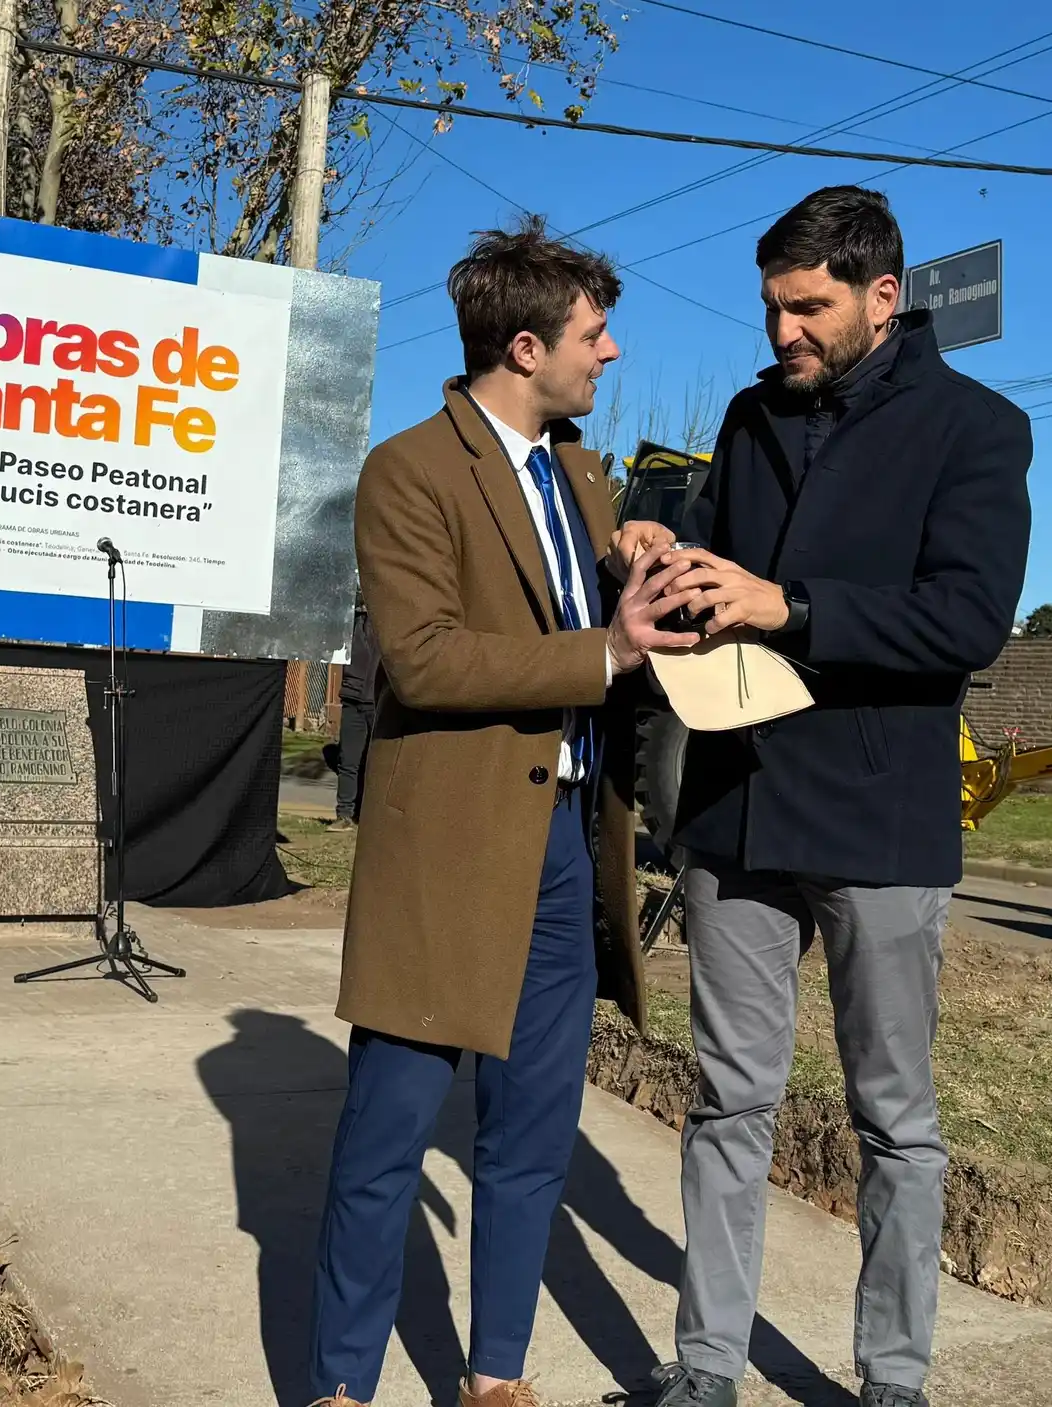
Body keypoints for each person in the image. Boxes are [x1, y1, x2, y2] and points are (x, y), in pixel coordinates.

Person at [613, 186, 1033, 1407]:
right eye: (773, 306)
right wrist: (660, 549)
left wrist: (785, 606)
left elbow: (966, 622)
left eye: (808, 307)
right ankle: (704, 1370)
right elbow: (711, 560)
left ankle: (892, 1378)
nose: (783, 329)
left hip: (881, 817)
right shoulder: (749, 416)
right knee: (726, 1100)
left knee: (894, 1116)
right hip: (738, 809)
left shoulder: (979, 429)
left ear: (883, 298)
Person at [308, 216, 701, 1407]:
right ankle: (340, 1387)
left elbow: (573, 601)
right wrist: (607, 653)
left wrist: (633, 556)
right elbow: (424, 662)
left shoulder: (582, 471)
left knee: (530, 1142)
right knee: (385, 1144)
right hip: (449, 858)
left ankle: (497, 1376)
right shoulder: (410, 469)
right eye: (594, 333)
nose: (614, 352)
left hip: (569, 854)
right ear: (524, 346)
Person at [329, 591, 381, 831]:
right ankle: (344, 816)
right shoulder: (349, 624)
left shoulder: (386, 625)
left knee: (376, 763)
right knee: (348, 761)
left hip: (376, 701)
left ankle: (371, 817)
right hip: (352, 699)